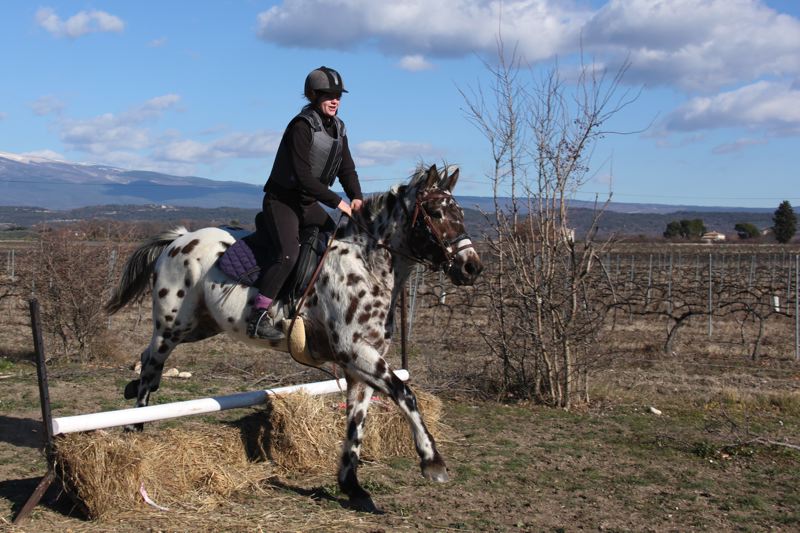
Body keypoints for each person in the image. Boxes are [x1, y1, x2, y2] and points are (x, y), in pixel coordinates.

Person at [248, 66, 364, 340]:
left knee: (334, 244)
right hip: (282, 202)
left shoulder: (339, 128)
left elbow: (346, 169)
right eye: (329, 95)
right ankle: (259, 315)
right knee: (289, 254)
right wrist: (337, 202)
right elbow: (302, 177)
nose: (335, 101)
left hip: (307, 203)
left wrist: (357, 197)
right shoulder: (300, 126)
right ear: (313, 95)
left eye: (338, 96)